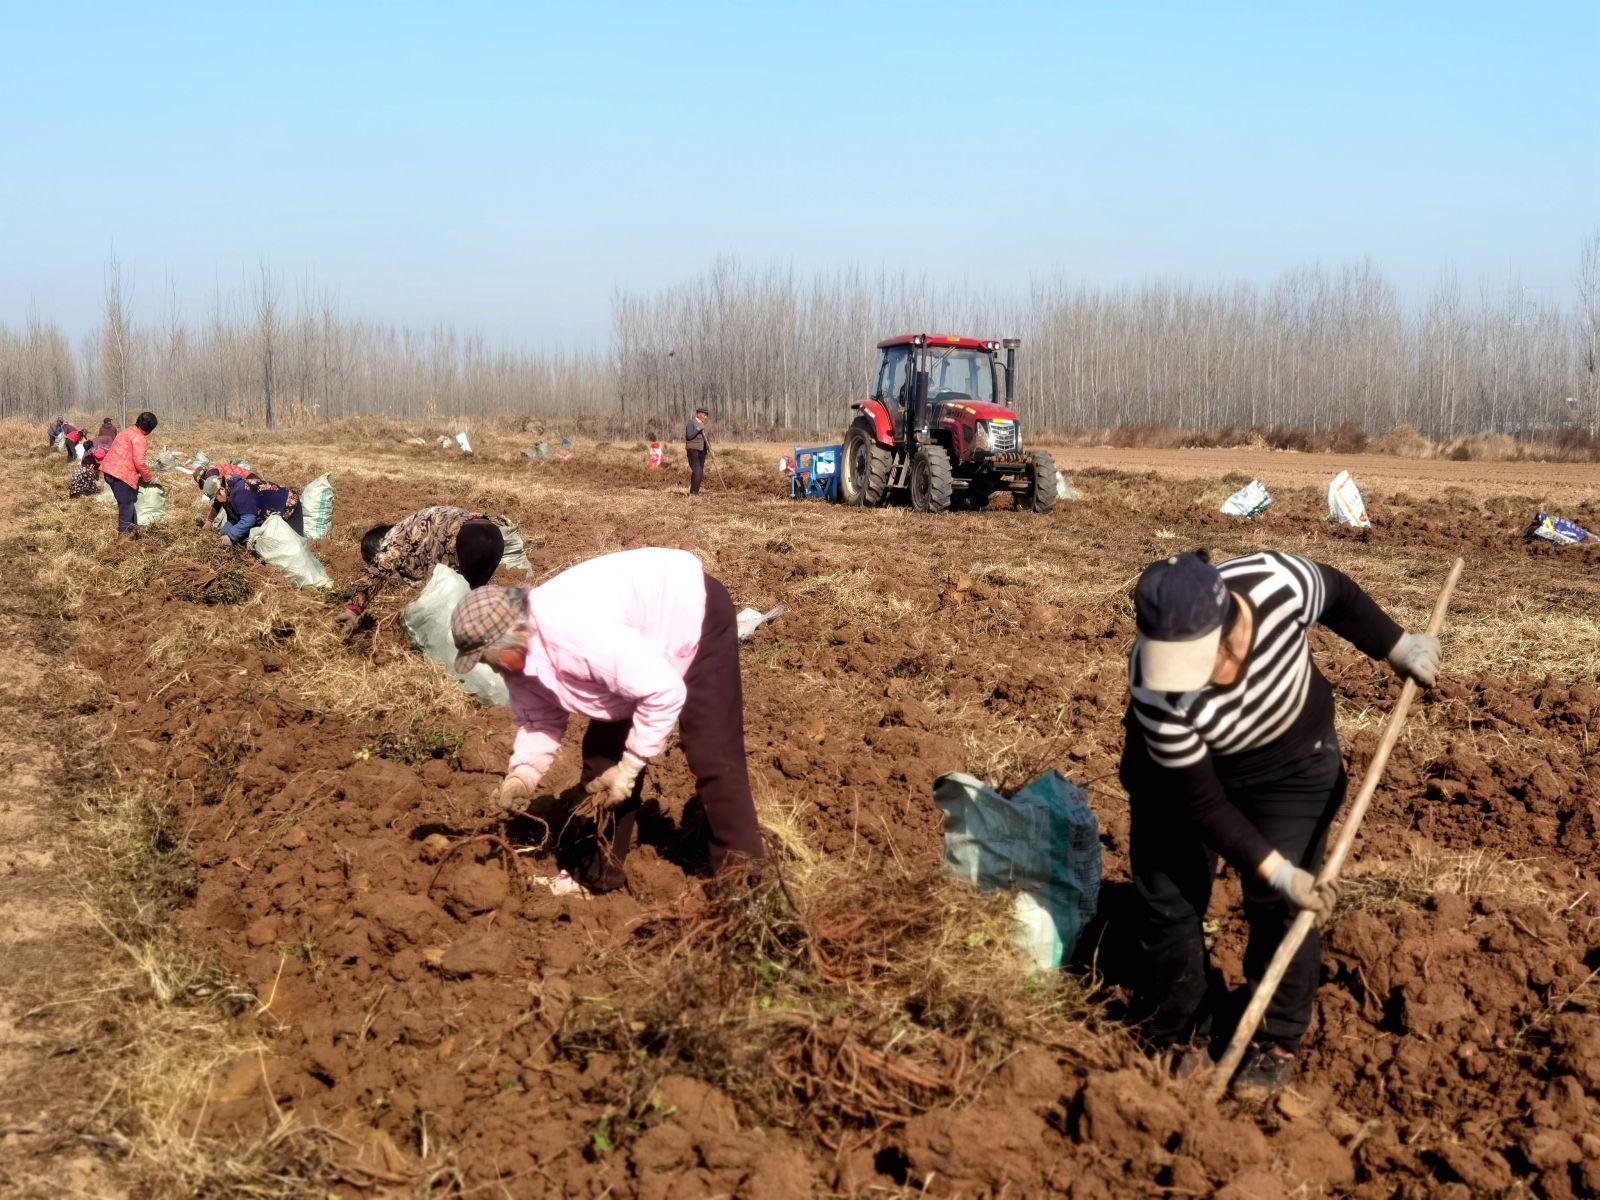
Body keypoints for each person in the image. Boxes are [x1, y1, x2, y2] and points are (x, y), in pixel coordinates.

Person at [1120, 549, 1441, 1097]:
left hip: (1290, 765)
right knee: (1168, 900)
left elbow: (1338, 593)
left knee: (1281, 905)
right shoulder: (1153, 690)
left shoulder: (1276, 584)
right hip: (1182, 780)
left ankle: (1276, 1038)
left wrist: (1396, 644)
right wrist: (1273, 866)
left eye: (1193, 667)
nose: (1182, 685)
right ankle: (1180, 1032)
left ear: (1233, 634)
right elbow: (1201, 804)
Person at [451, 547, 764, 894]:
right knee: (602, 758)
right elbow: (538, 719)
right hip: (636, 640)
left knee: (711, 751)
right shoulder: (518, 655)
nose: (490, 668)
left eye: (488, 659)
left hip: (690, 611)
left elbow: (663, 690)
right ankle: (595, 876)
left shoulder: (575, 633)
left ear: (512, 634)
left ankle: (747, 886)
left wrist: (630, 768)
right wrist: (521, 776)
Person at [336, 505, 506, 634]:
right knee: (470, 599)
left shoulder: (394, 538)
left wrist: (353, 610)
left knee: (454, 606)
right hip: (493, 536)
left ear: (379, 545)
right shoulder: (414, 533)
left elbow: (378, 570)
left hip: (469, 538)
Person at [100, 412, 159, 534]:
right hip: (121, 475)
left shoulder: (127, 431)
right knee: (126, 505)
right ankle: (124, 539)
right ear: (149, 429)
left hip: (109, 471)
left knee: (129, 500)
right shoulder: (139, 438)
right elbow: (139, 462)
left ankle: (132, 530)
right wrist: (148, 477)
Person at [216, 472, 303, 544]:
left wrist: (230, 537)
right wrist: (222, 533)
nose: (217, 502)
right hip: (274, 513)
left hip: (288, 504)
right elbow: (234, 520)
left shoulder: (240, 491)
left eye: (216, 498)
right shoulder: (228, 495)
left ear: (222, 489)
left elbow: (248, 520)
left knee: (295, 541)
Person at [684, 408, 710, 495]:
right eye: (704, 415)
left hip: (702, 451)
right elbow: (689, 436)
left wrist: (709, 449)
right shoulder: (691, 423)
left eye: (706, 416)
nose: (706, 417)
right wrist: (699, 428)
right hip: (693, 450)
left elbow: (704, 439)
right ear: (699, 414)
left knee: (700, 472)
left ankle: (695, 492)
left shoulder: (701, 424)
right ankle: (693, 493)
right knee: (697, 471)